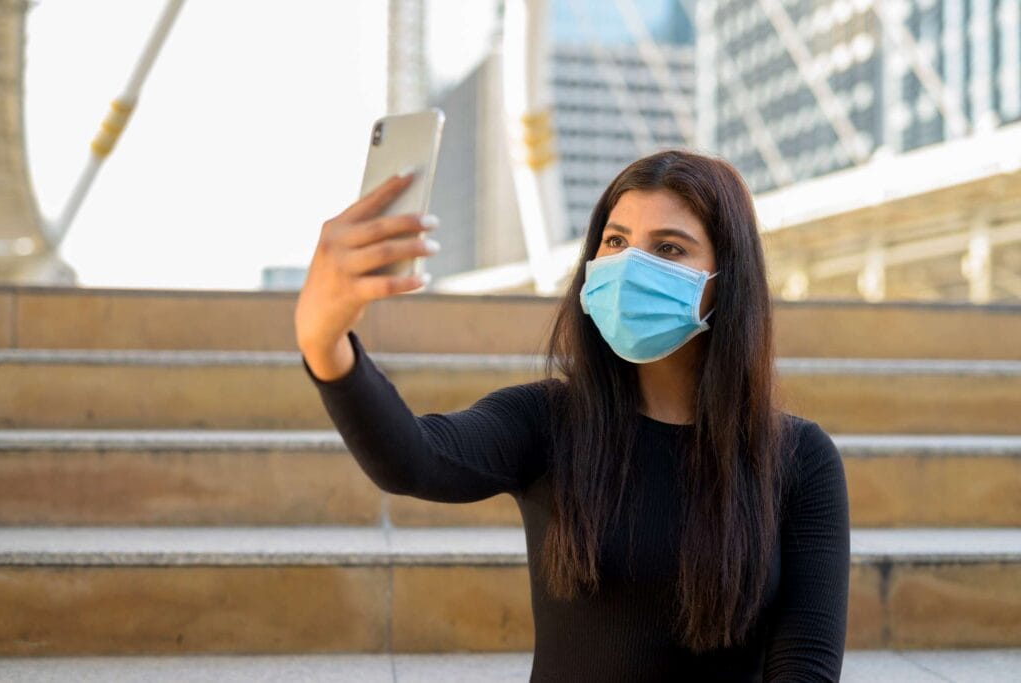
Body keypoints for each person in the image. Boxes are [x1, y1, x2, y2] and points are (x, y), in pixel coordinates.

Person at [295, 149, 850, 682]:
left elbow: (806, 663)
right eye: (616, 241)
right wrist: (325, 341)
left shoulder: (800, 457)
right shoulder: (546, 420)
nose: (632, 265)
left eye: (670, 249)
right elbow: (412, 459)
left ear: (726, 281)